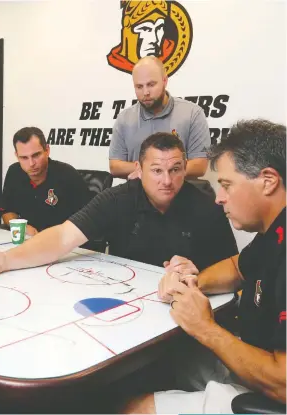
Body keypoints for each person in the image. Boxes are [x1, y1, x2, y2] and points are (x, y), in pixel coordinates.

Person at [123, 119, 286, 414]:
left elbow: (283, 384)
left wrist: (204, 327)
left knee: (133, 408)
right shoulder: (274, 231)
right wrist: (191, 281)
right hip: (252, 357)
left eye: (226, 185)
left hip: (270, 395)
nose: (220, 197)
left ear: (268, 180)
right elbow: (238, 267)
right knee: (159, 363)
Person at [0, 132, 237, 278]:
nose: (167, 181)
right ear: (139, 169)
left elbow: (237, 269)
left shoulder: (208, 208)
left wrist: (200, 279)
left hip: (187, 307)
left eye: (176, 169)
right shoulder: (118, 199)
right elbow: (63, 236)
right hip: (126, 303)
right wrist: (6, 260)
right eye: (156, 170)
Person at [109, 56, 211, 180]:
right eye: (139, 87)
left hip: (181, 195)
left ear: (164, 81)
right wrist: (154, 170)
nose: (145, 92)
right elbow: (115, 166)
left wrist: (152, 171)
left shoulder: (192, 113)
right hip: (137, 194)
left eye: (151, 84)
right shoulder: (124, 118)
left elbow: (199, 165)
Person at [0, 126, 92, 236]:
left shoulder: (68, 175)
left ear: (47, 150)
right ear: (16, 156)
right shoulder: (14, 172)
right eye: (24, 158)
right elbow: (7, 212)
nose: (31, 163)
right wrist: (21, 227)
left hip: (63, 243)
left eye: (36, 155)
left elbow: (87, 220)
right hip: (28, 241)